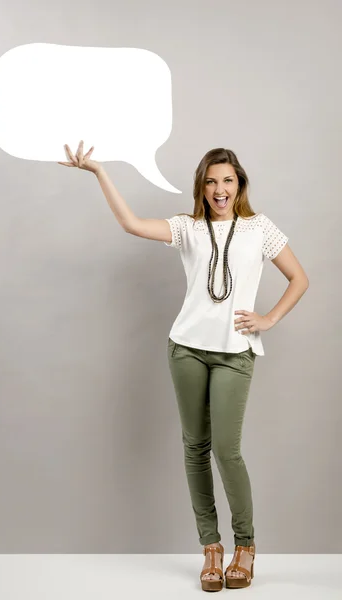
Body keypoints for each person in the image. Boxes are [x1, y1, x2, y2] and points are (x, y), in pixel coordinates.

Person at [58, 141, 309, 592]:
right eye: (211, 181)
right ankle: (211, 549)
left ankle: (245, 547)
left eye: (227, 180)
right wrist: (98, 172)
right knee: (195, 448)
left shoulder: (260, 228)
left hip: (236, 352)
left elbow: (300, 278)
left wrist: (268, 318)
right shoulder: (187, 227)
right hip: (186, 349)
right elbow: (131, 223)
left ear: (240, 185)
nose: (219, 189)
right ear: (201, 186)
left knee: (226, 451)